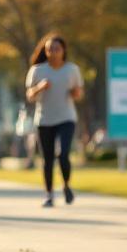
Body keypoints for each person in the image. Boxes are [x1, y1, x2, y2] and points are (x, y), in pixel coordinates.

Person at [25, 34, 84, 207]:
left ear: (63, 50)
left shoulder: (72, 69)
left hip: (66, 117)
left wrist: (76, 93)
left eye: (57, 49)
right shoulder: (37, 70)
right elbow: (29, 95)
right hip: (44, 119)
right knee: (47, 159)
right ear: (45, 51)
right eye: (49, 49)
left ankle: (66, 185)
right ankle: (49, 194)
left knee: (63, 153)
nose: (53, 52)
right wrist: (39, 87)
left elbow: (78, 92)